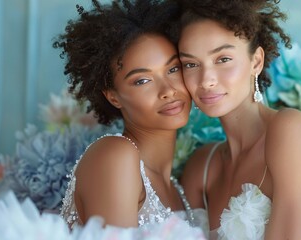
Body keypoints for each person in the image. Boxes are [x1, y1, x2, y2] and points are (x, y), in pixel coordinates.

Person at [177, 0, 301, 239]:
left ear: (256, 61)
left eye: (223, 59)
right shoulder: (201, 167)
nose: (206, 80)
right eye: (191, 64)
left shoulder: (288, 129)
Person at [54, 0, 195, 229]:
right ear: (113, 97)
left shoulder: (176, 187)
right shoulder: (115, 155)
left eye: (173, 69)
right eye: (142, 80)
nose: (168, 90)